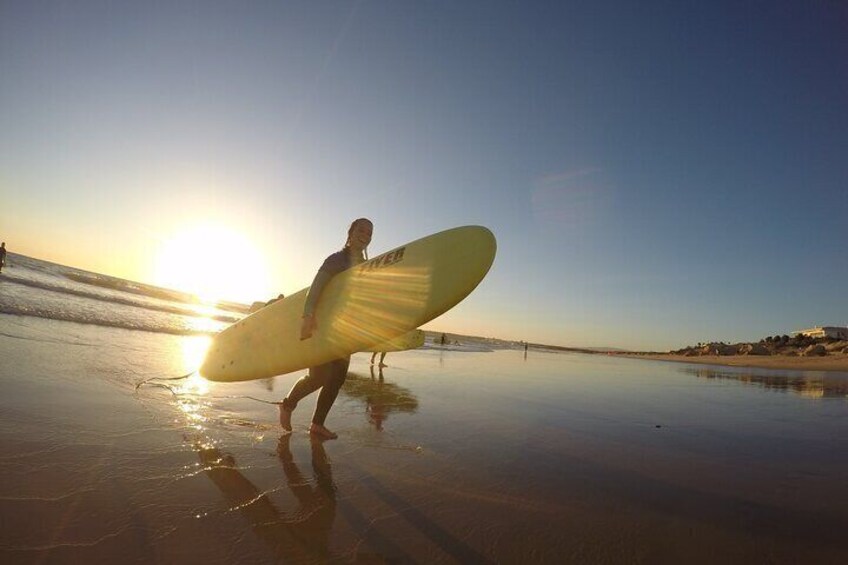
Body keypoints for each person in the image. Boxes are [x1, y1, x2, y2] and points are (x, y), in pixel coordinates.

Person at [279, 218, 373, 440]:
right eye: (361, 229)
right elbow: (316, 287)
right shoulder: (337, 259)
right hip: (325, 326)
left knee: (337, 378)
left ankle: (317, 425)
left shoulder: (366, 266)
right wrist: (308, 316)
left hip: (345, 330)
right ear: (350, 232)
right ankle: (287, 405)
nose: (366, 234)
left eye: (370, 232)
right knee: (319, 376)